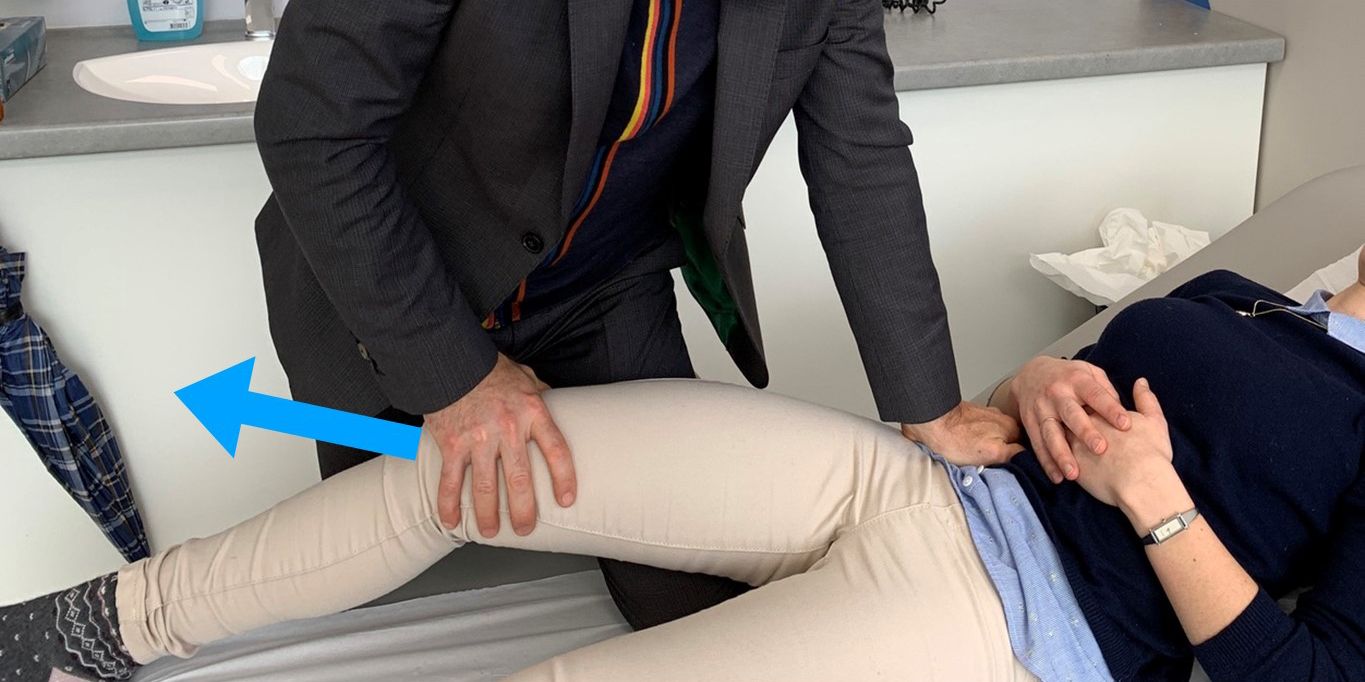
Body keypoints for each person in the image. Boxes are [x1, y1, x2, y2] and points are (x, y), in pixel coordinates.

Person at [8, 261, 1362, 682]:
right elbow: (1062, 396)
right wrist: (1028, 385)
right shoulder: (1261, 297)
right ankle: (90, 630)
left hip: (1019, 621)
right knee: (468, 461)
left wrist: (1154, 498)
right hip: (919, 479)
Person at [250, 0, 1087, 629]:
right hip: (394, 294)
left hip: (602, 287)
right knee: (377, 577)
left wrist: (931, 404)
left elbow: (859, 158)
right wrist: (455, 376)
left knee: (688, 580)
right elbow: (310, 124)